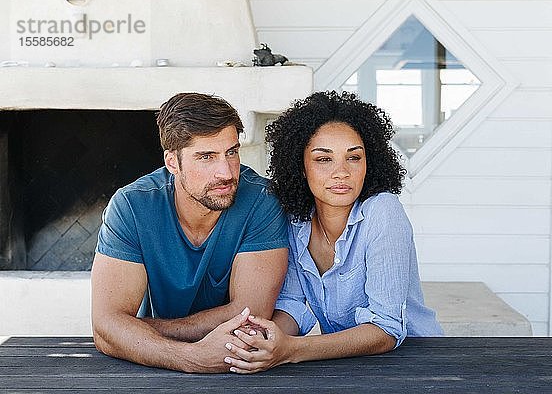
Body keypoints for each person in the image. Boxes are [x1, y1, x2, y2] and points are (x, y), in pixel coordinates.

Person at [223, 91, 443, 374]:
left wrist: (291, 350)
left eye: (354, 158)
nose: (341, 172)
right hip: (348, 365)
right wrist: (263, 340)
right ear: (300, 166)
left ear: (369, 162)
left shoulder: (383, 212)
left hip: (416, 363)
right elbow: (292, 304)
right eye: (323, 160)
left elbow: (386, 328)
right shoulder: (295, 221)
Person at [91, 92, 289, 373]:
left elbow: (250, 314)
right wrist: (193, 357)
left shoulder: (261, 201)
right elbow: (105, 328)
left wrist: (136, 329)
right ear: (172, 162)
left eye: (231, 152)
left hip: (239, 366)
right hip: (163, 369)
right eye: (206, 156)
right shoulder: (133, 206)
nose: (226, 172)